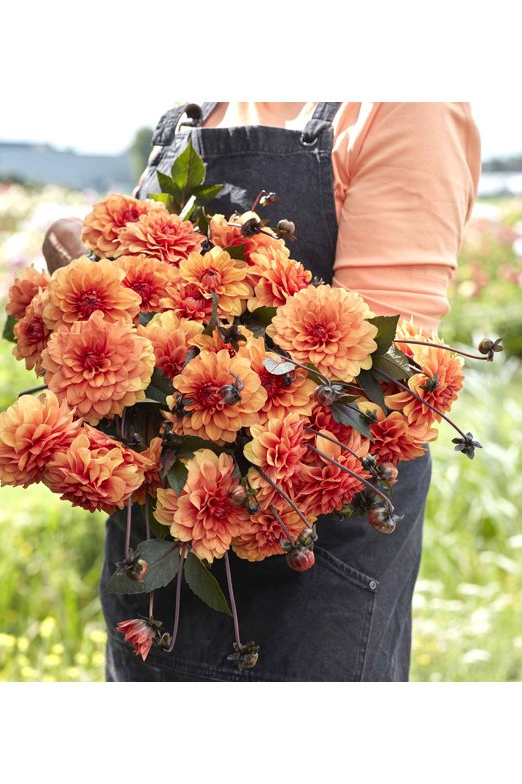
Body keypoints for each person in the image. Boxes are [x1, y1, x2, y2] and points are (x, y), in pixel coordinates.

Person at [43, 102, 481, 681]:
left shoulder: (407, 103)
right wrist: (85, 293)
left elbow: (377, 372)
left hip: (310, 564)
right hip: (156, 555)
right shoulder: (205, 98)